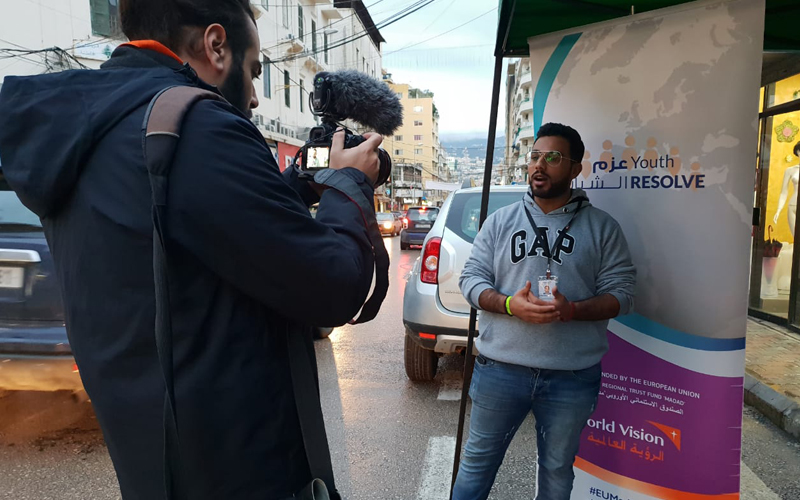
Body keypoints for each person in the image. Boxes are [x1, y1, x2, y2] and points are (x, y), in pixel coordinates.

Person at [0, 1, 382, 499]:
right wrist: (348, 183)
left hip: (157, 466)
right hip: (240, 473)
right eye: (254, 73)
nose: (255, 99)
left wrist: (299, 185)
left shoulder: (93, 125)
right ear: (216, 46)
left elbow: (189, 232)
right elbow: (334, 286)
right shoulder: (198, 129)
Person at [454, 123, 636, 500]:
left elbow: (623, 294)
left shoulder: (603, 228)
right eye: (535, 156)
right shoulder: (500, 222)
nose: (539, 165)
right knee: (476, 465)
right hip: (500, 369)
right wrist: (508, 304)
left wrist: (573, 310)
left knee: (556, 472)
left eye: (552, 158)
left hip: (572, 376)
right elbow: (471, 280)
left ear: (574, 168)